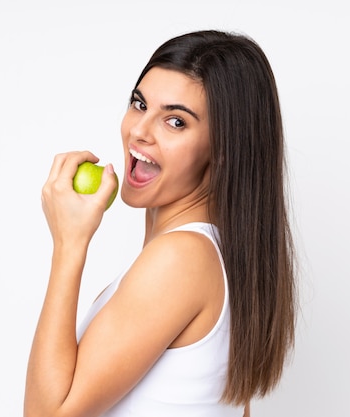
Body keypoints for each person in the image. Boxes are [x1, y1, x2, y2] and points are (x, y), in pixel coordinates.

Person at [24, 29, 296, 417]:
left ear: (223, 151)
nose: (139, 130)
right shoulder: (219, 259)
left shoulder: (180, 258)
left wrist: (69, 245)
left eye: (176, 122)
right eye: (139, 104)